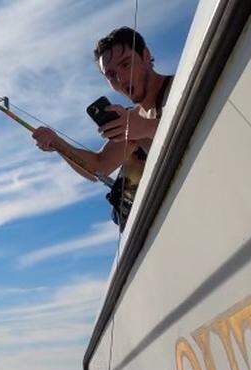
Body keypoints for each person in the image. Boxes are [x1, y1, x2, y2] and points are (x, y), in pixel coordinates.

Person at [32, 27, 173, 227]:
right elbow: (99, 167)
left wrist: (146, 128)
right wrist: (57, 143)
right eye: (111, 75)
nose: (121, 79)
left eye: (126, 64)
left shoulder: (183, 85)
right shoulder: (132, 121)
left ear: (146, 55)